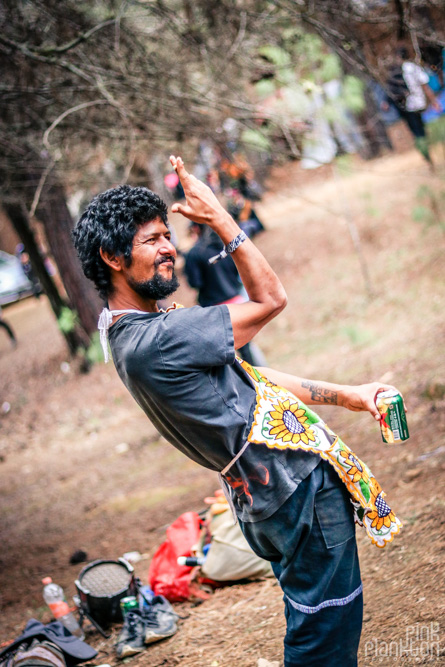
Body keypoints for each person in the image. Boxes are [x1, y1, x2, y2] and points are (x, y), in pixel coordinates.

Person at [73, 156, 404, 666]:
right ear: (112, 258)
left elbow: (247, 379)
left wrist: (349, 395)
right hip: (293, 492)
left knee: (318, 622)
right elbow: (271, 299)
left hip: (268, 496)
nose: (169, 250)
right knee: (325, 637)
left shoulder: (127, 331)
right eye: (152, 240)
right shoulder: (157, 339)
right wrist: (222, 220)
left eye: (168, 235)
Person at [184, 221, 265, 366]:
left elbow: (195, 283)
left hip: (215, 310)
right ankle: (260, 380)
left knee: (223, 355)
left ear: (196, 229)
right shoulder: (225, 248)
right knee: (246, 348)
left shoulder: (195, 253)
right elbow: (238, 272)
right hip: (237, 304)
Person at [383, 47, 441, 166]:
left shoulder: (395, 71)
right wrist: (434, 102)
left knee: (415, 132)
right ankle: (428, 154)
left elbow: (390, 90)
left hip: (405, 107)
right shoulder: (414, 68)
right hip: (418, 104)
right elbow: (425, 86)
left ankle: (426, 157)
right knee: (421, 130)